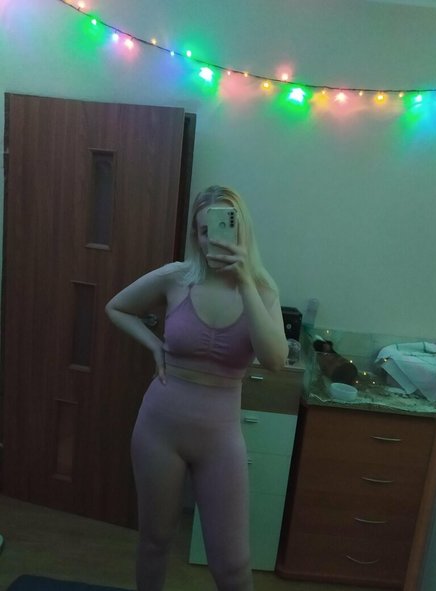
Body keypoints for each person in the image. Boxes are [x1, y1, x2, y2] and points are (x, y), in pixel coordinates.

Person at [105, 185, 288, 591]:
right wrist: (154, 344)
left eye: (224, 228)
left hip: (220, 440)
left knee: (234, 566)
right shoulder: (177, 278)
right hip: (159, 429)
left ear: (242, 231)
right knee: (154, 543)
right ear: (196, 235)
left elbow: (276, 360)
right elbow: (116, 307)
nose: (213, 240)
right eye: (204, 231)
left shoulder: (262, 290)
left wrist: (244, 280)